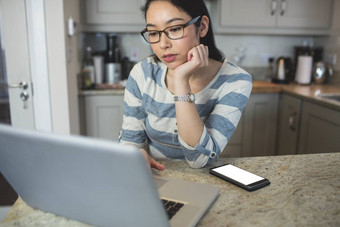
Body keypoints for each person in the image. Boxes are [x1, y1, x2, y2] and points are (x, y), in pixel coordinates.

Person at [119, 0, 252, 170]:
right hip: (156, 178)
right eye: (153, 33)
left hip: (205, 182)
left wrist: (181, 80)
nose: (163, 44)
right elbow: (130, 141)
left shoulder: (235, 80)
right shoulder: (142, 74)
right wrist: (136, 153)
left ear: (202, 26)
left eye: (174, 29)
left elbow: (199, 159)